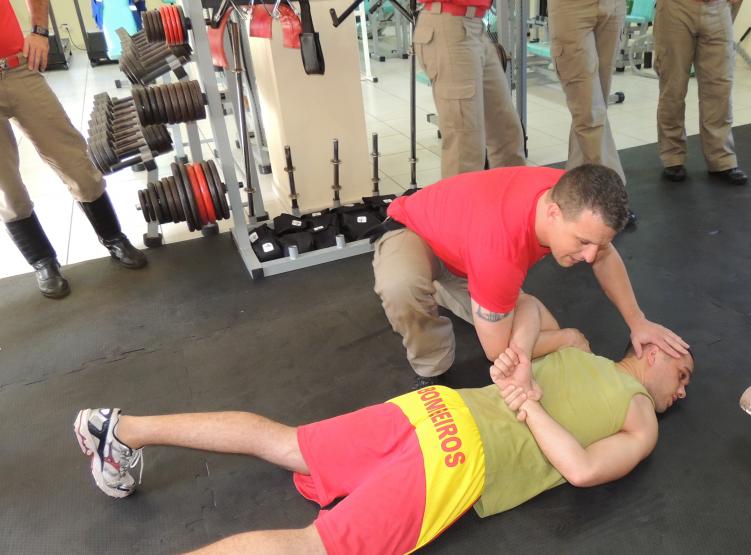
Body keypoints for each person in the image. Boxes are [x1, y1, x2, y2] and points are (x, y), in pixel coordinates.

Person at [73, 341, 695, 554]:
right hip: (458, 457)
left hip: (433, 409)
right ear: (652, 351)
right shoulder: (640, 410)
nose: (683, 388)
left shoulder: (579, 347)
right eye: (683, 371)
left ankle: (121, 428)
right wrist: (522, 384)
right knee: (314, 547)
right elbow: (580, 470)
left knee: (285, 442)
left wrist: (517, 368)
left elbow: (525, 325)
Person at [372, 163, 689, 389]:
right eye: (583, 242)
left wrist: (638, 321)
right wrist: (569, 338)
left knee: (528, 332)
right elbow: (497, 353)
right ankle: (431, 363)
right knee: (402, 288)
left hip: (471, 251)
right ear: (553, 214)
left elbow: (605, 256)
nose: (590, 256)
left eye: (598, 243)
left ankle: (455, 290)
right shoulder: (501, 252)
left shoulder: (574, 195)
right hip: (416, 232)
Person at [1, 0, 146, 299]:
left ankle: (113, 236)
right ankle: (42, 261)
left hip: (16, 69)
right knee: (6, 187)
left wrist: (39, 31)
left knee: (74, 162)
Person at [413, 0, 526, 178]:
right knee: (466, 148)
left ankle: (511, 194)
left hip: (476, 25)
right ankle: (462, 197)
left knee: (506, 134)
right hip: (449, 22)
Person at [653, 0, 749, 186]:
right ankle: (673, 157)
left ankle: (722, 159)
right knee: (673, 88)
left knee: (720, 90)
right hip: (676, 7)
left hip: (718, 7)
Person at [548, 0, 628, 182]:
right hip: (572, 7)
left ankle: (577, 185)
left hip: (613, 6)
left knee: (596, 106)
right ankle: (610, 189)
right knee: (589, 111)